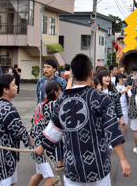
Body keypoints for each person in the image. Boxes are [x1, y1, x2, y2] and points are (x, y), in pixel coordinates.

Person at [34, 54, 131, 185]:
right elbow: (112, 129)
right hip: (98, 166)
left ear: (72, 73)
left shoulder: (62, 99)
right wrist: (123, 159)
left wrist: (42, 146)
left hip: (72, 167)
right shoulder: (101, 98)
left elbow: (55, 128)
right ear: (91, 73)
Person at [0, 74, 33, 185]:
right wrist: (29, 140)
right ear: (5, 90)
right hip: (3, 161)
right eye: (13, 85)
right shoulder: (7, 109)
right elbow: (18, 129)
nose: (16, 87)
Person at [29, 80, 66, 186]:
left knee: (39, 175)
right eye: (60, 91)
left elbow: (33, 122)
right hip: (42, 146)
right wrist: (70, 81)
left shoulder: (40, 105)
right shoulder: (53, 105)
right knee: (50, 180)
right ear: (56, 93)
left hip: (36, 144)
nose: (61, 93)